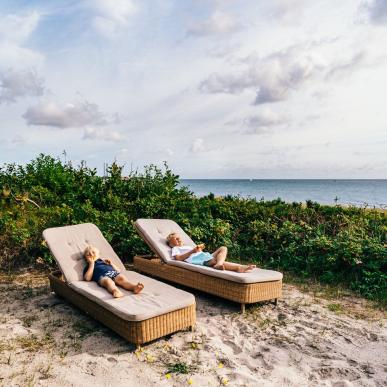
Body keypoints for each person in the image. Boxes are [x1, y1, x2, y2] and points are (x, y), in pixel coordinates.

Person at [166, 233, 256, 273]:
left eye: (179, 237)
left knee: (223, 248)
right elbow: (178, 258)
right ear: (170, 244)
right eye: (176, 239)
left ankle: (220, 264)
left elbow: (197, 252)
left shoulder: (187, 246)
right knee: (214, 260)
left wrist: (199, 249)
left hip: (203, 255)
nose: (179, 239)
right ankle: (239, 268)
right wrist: (193, 251)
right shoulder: (175, 248)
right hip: (198, 259)